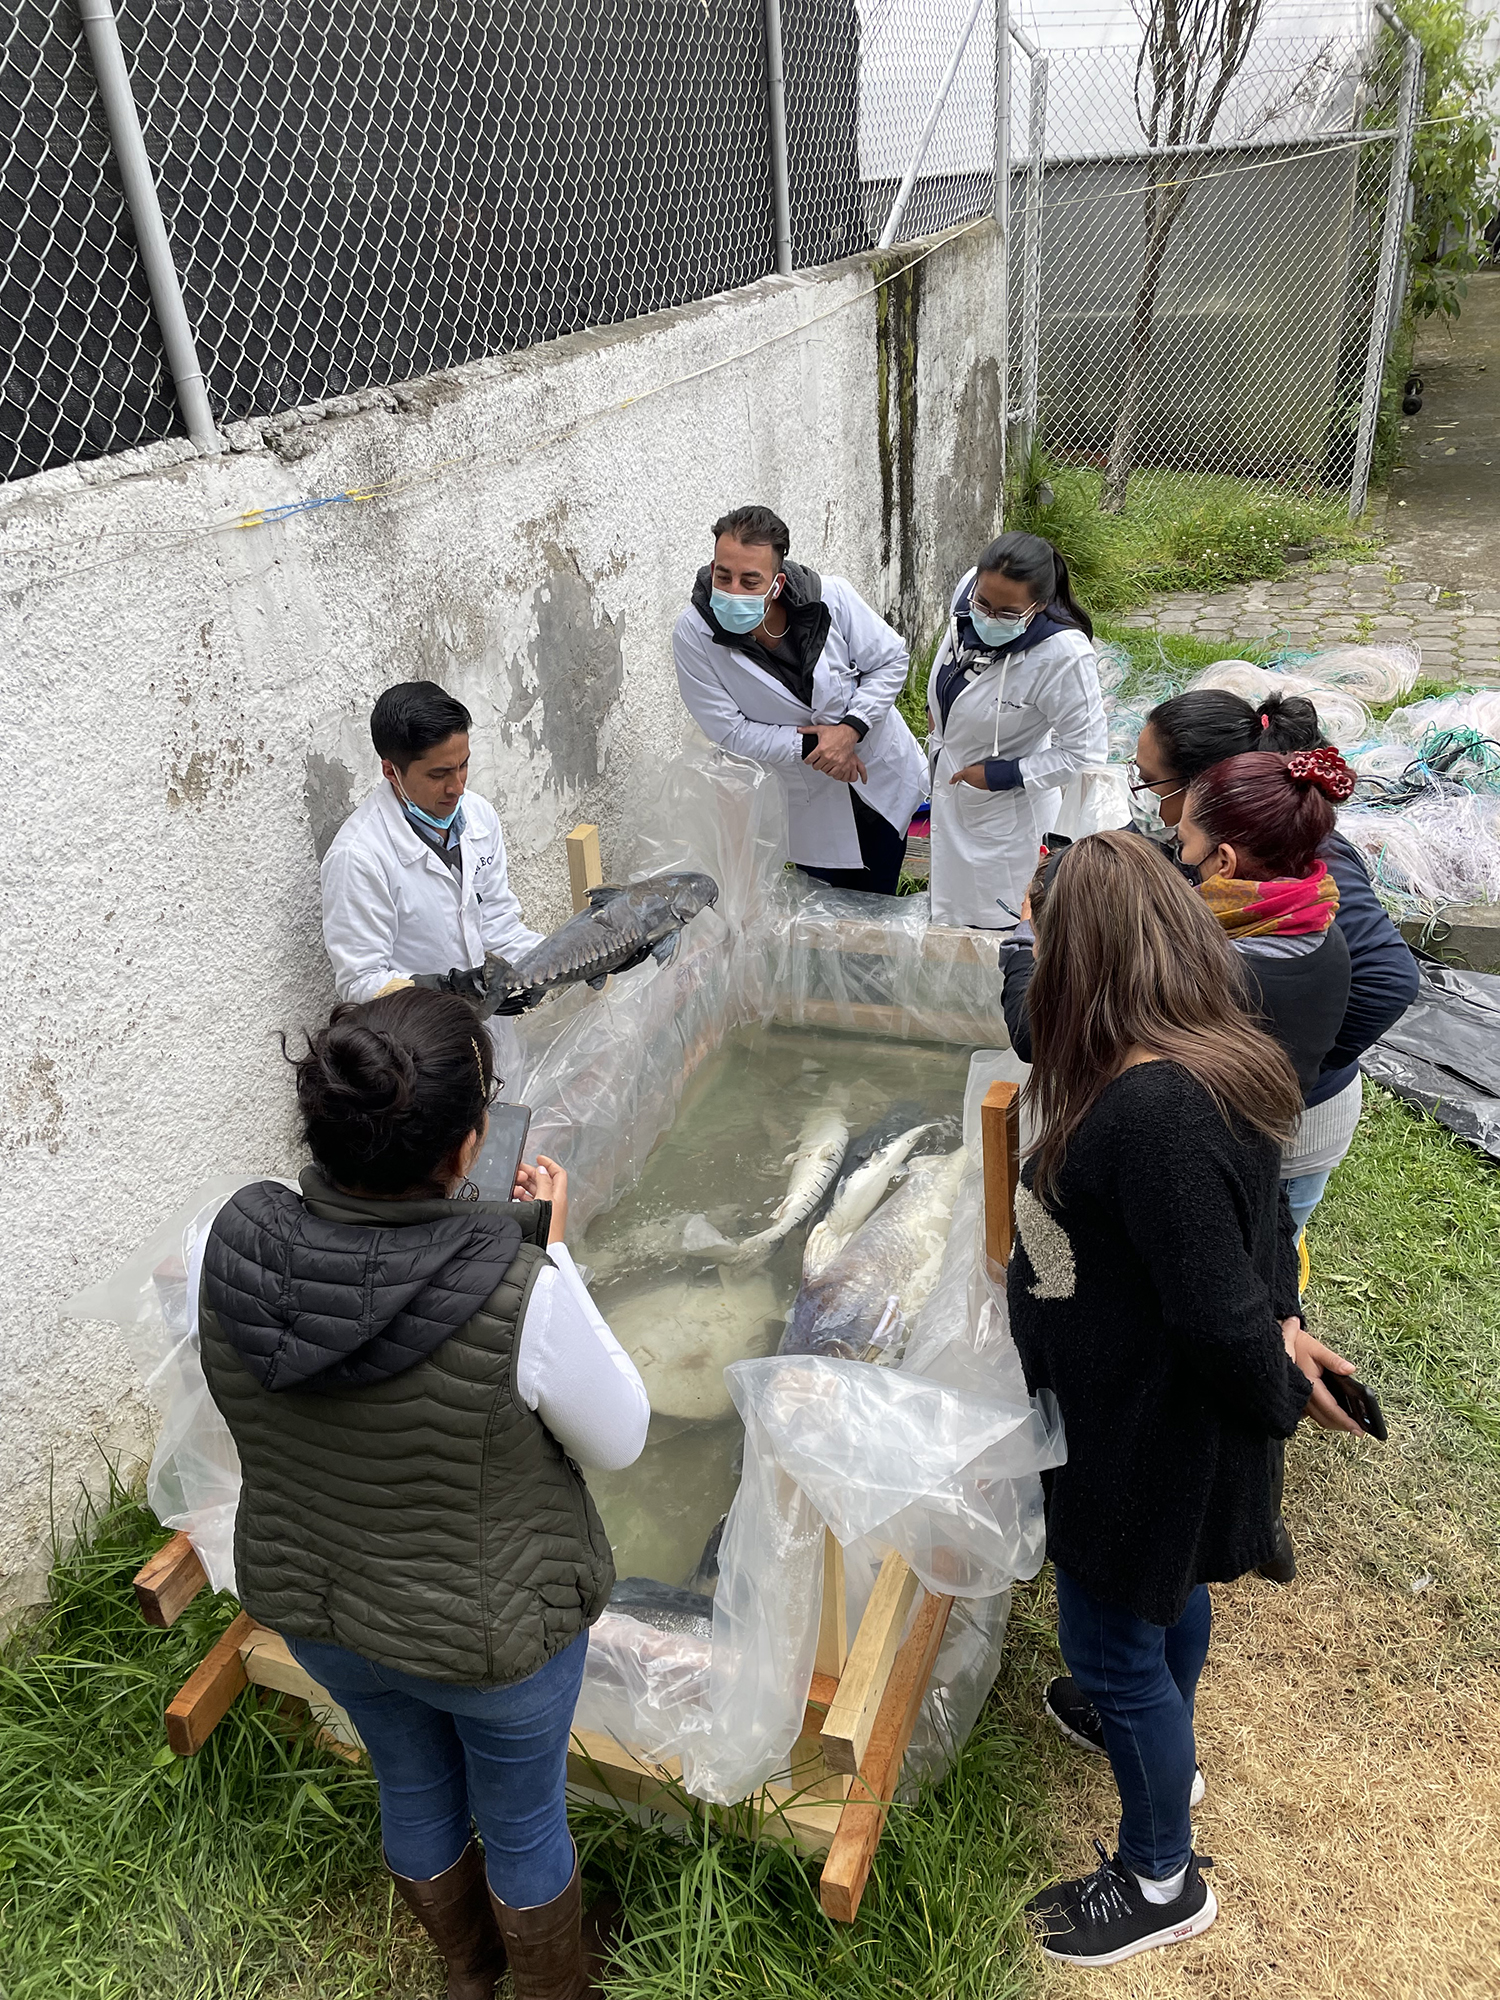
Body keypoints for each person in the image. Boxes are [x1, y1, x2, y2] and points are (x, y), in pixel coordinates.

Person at [197, 987, 650, 2000]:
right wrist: (552, 1252)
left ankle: (465, 1969)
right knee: (525, 1819)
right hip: (487, 1636)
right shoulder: (517, 1286)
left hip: (323, 1606)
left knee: (409, 1775)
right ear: (468, 1146)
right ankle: (547, 1984)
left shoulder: (232, 1244)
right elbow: (622, 1432)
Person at [1006, 831, 1361, 1968]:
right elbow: (1244, 1251)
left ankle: (1161, 1874)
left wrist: (1276, 1389)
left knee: (1112, 1637)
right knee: (1161, 1597)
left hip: (1140, 1429)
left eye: (1039, 943)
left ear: (1087, 955)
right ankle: (1154, 1730)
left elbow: (1217, 1314)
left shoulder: (1151, 1112)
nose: (1029, 962)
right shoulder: (1209, 1051)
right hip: (1146, 1407)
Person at [1128, 689, 1419, 1236]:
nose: (1139, 794)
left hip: (1284, 1123)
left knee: (1264, 1264)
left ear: (1206, 796)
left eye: (1149, 780)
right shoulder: (1237, 859)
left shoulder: (1310, 872)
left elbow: (1389, 979)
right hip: (1246, 1121)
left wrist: (1290, 1066)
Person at [672, 504, 927, 894]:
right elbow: (729, 731)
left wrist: (851, 729)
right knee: (826, 907)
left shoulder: (833, 598)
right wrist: (819, 746)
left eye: (750, 581)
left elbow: (890, 660)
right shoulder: (694, 636)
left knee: (880, 899)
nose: (732, 590)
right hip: (807, 796)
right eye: (723, 576)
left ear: (775, 585)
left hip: (874, 770)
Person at [925, 531, 1107, 929]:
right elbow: (957, 662)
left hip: (1005, 822)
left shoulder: (1063, 655)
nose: (989, 617)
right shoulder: (970, 593)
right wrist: (938, 708)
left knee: (1004, 932)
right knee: (950, 920)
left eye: (1007, 613)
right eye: (983, 603)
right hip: (953, 791)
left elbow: (1086, 754)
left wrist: (999, 775)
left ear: (1038, 605)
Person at [321, 681, 543, 1005]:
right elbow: (360, 983)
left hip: (493, 1034)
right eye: (438, 775)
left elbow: (498, 925)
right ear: (391, 771)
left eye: (463, 765)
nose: (457, 788)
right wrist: (446, 989)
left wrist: (559, 960)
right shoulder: (357, 858)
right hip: (424, 1042)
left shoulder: (479, 817)